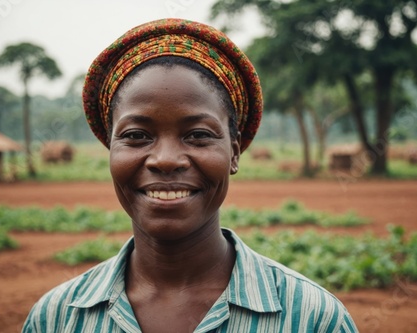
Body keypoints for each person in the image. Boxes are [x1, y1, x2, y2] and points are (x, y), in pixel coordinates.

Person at [22, 18, 358, 333]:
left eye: (198, 135)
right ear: (110, 148)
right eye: (137, 135)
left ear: (235, 152)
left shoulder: (313, 318)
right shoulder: (56, 318)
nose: (165, 160)